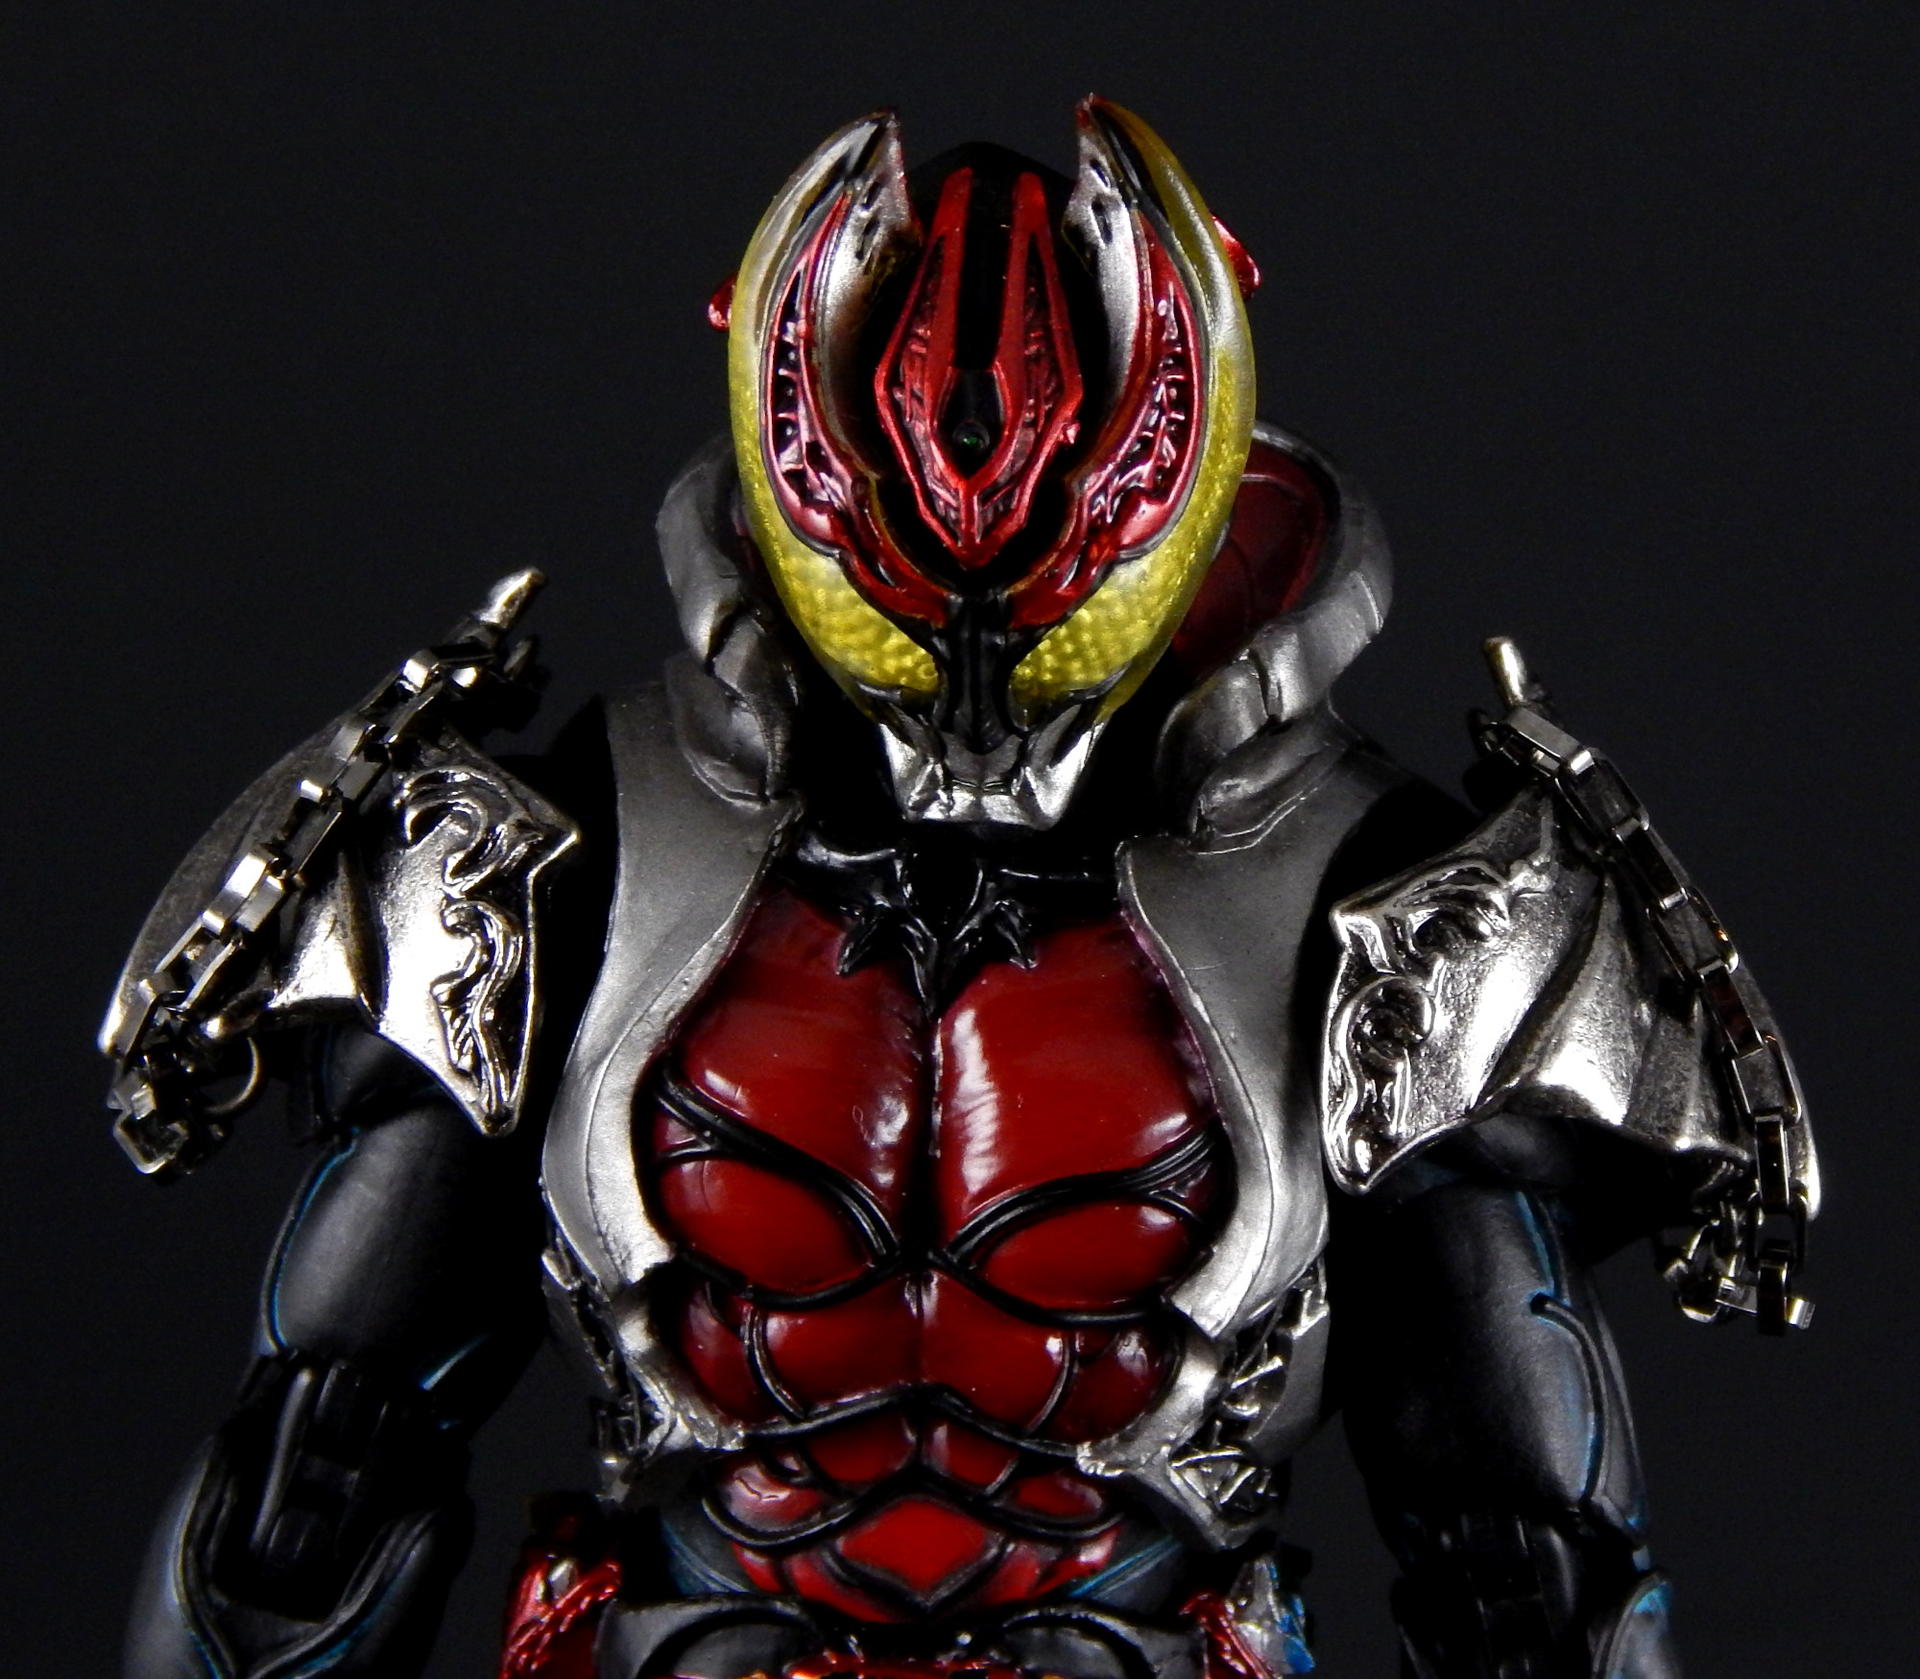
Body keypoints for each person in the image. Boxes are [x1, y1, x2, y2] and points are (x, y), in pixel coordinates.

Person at [105, 100, 1817, 1679]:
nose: (978, 715)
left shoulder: (1403, 912)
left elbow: (1527, 1565)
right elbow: (312, 1484)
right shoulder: (563, 855)